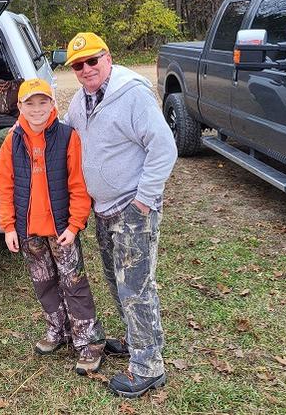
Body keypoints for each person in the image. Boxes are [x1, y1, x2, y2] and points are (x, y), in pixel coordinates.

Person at [63, 32, 178, 399]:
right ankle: (135, 340)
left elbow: (164, 148)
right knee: (117, 281)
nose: (85, 70)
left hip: (132, 208)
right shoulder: (81, 102)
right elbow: (63, 132)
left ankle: (149, 368)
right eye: (78, 66)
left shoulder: (132, 94)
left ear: (107, 58)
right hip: (103, 209)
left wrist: (143, 201)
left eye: (92, 61)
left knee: (137, 287)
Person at [0, 78, 107, 375]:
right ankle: (58, 330)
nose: (37, 109)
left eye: (43, 102)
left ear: (53, 104)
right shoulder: (12, 140)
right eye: (29, 103)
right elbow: (5, 186)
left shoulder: (67, 137)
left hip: (61, 230)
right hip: (29, 231)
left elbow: (78, 186)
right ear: (19, 106)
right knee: (43, 282)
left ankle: (88, 342)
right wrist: (9, 226)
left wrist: (75, 224)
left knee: (74, 283)